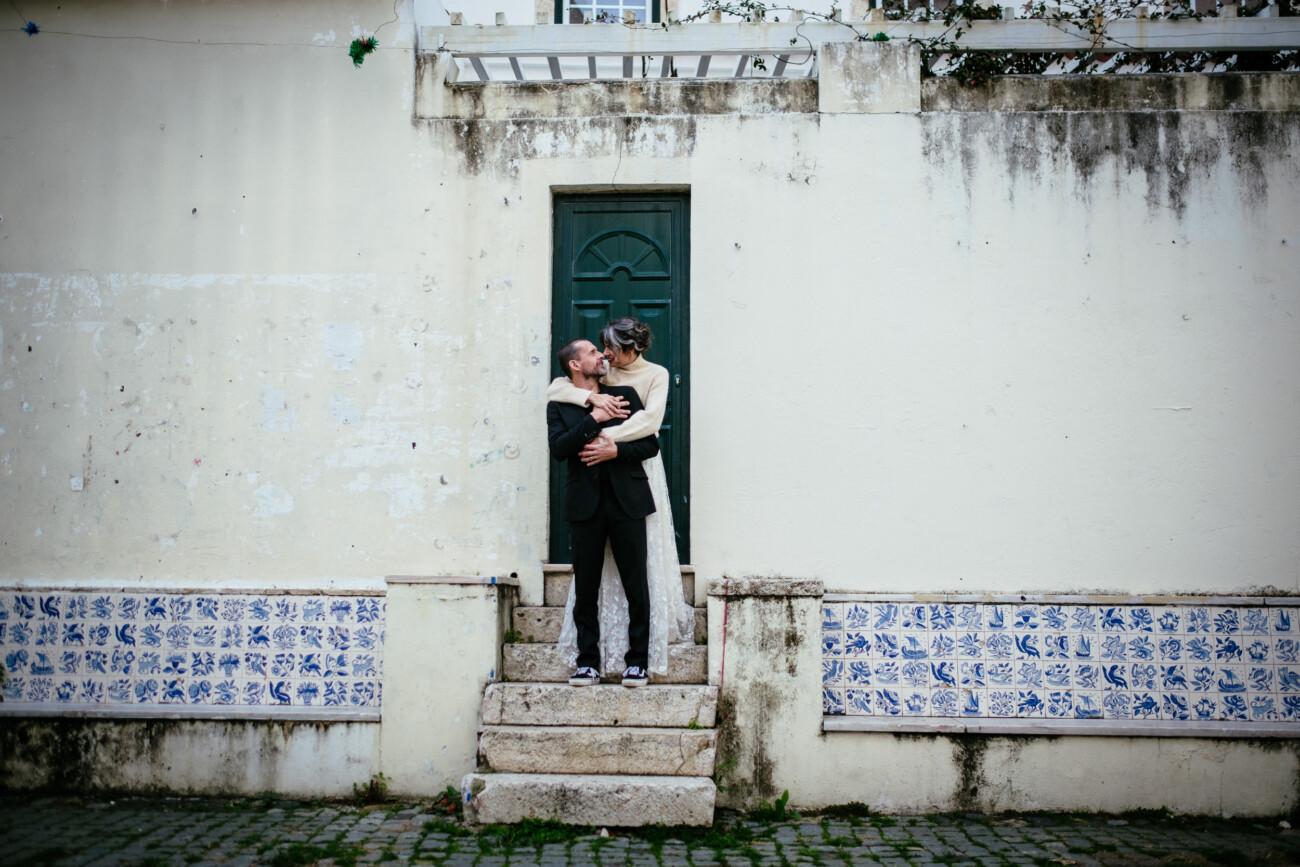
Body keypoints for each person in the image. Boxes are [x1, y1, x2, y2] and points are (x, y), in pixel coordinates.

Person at [548, 318, 695, 678]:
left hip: (628, 497)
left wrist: (615, 448)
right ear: (576, 365)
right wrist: (594, 411)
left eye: (607, 350)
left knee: (636, 583)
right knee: (586, 587)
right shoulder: (561, 401)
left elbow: (650, 439)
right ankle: (586, 662)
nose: (604, 356)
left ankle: (638, 661)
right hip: (584, 503)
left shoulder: (633, 390)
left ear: (632, 349)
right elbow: (560, 447)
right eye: (596, 351)